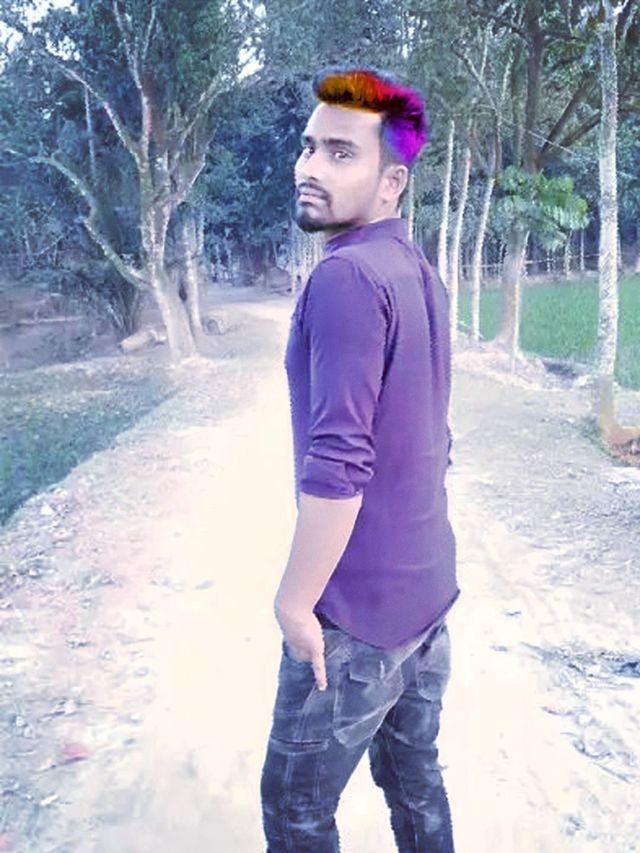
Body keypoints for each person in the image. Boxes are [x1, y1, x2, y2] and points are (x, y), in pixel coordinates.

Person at [260, 64, 460, 852]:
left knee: (295, 808)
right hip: (428, 602)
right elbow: (433, 436)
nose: (309, 167)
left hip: (355, 619)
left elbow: (339, 465)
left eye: (341, 152)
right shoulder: (416, 270)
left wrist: (294, 601)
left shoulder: (345, 278)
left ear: (390, 182)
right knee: (415, 782)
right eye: (308, 146)